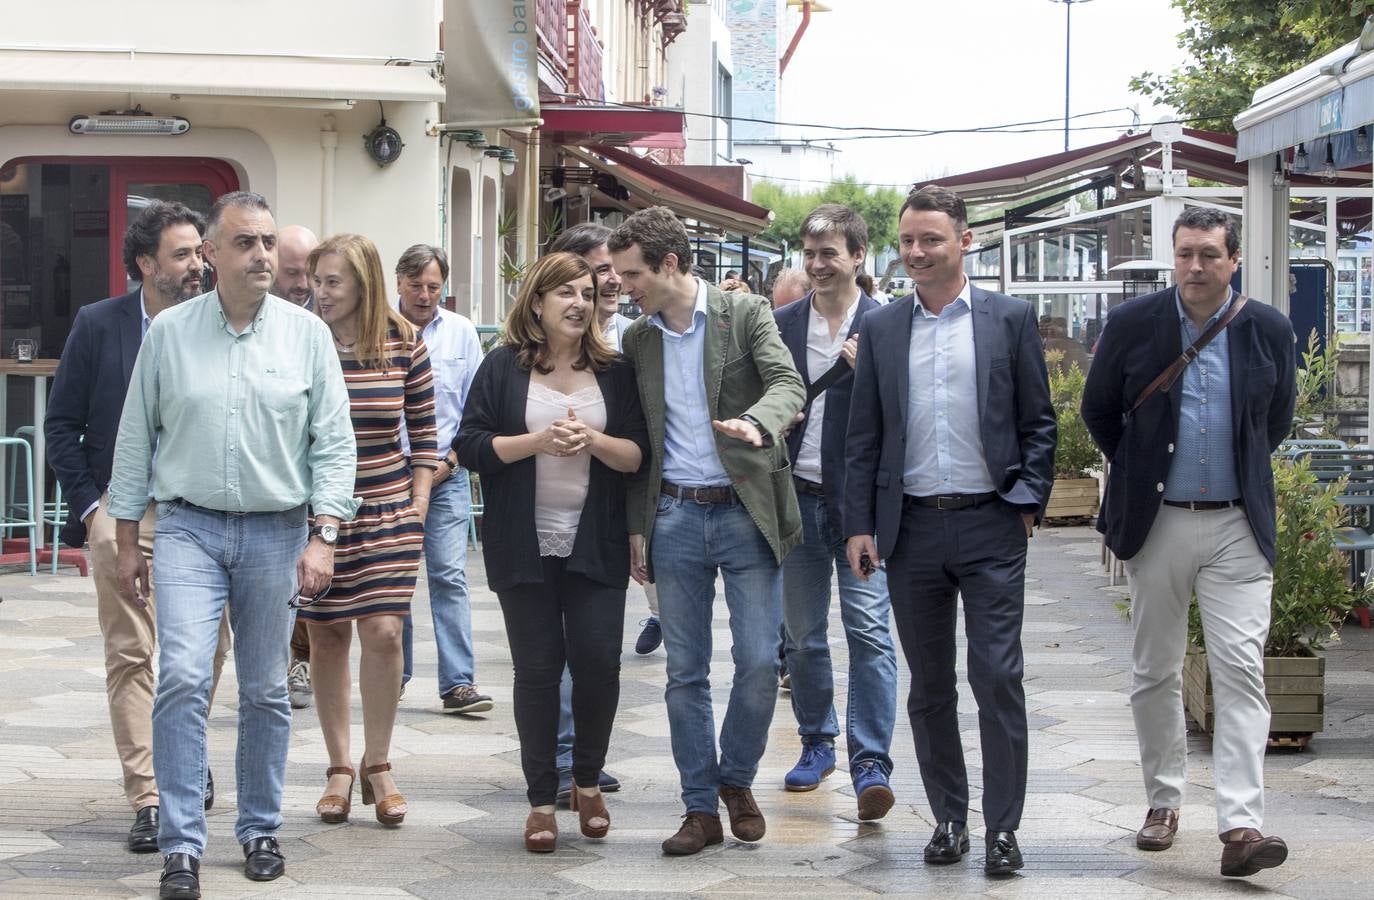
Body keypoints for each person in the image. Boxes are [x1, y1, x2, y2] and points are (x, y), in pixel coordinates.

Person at [108, 191, 357, 898]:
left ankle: (258, 828)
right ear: (210, 253)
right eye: (245, 242)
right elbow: (135, 441)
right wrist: (128, 542)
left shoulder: (306, 337)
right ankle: (182, 843)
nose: (261, 255)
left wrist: (325, 537)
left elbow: (334, 447)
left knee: (266, 689)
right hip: (187, 526)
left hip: (277, 531)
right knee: (184, 674)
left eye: (269, 243)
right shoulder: (168, 333)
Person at [844, 185, 1056, 877]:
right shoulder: (881, 328)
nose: (916, 252)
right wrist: (859, 527)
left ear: (965, 241)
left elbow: (1038, 420)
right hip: (910, 532)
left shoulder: (1008, 318)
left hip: (990, 523)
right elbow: (863, 436)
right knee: (929, 685)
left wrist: (1026, 499)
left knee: (996, 676)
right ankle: (948, 819)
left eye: (930, 239)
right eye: (907, 240)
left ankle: (1003, 830)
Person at [1081, 207, 1296, 879]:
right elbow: (1098, 410)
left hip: (1237, 524)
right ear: (1172, 258)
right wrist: (1142, 467)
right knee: (1156, 669)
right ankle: (1163, 803)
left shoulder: (1267, 329)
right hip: (1159, 520)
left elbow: (1277, 420)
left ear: (1234, 259)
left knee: (1240, 669)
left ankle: (1240, 823)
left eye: (1208, 254)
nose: (1195, 267)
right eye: (1184, 254)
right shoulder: (1132, 324)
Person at [610, 206, 806, 856]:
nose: (625, 287)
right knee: (684, 672)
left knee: (757, 662)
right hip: (673, 515)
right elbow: (640, 438)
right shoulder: (638, 341)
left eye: (633, 274)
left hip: (745, 508)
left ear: (669, 264)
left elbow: (788, 382)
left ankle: (737, 778)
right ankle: (700, 808)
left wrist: (757, 421)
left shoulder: (742, 315)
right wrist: (639, 526)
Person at [46, 201, 231, 855]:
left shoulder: (224, 325)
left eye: (199, 253)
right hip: (125, 511)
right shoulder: (100, 326)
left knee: (205, 652)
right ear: (146, 263)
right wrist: (93, 510)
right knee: (132, 654)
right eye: (182, 254)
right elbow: (61, 423)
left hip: (207, 511)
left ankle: (179, 748)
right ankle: (150, 796)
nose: (195, 266)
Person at [455, 252, 648, 853]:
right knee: (537, 672)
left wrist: (592, 439)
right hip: (522, 542)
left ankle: (586, 781)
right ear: (536, 301)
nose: (579, 302)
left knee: (598, 664)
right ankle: (541, 800)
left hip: (597, 541)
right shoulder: (502, 368)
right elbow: (470, 446)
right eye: (564, 291)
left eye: (587, 292)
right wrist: (538, 441)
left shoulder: (615, 371)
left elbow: (639, 454)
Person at [297, 233, 438, 832]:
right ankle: (337, 768)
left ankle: (379, 763)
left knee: (383, 632)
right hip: (315, 510)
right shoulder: (302, 340)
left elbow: (426, 438)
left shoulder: (405, 344)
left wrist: (418, 507)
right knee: (326, 637)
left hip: (386, 505)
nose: (320, 293)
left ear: (363, 283)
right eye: (317, 281)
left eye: (333, 282)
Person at [774, 204, 897, 820]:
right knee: (800, 635)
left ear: (857, 256)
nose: (819, 264)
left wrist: (870, 368)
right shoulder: (780, 323)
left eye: (831, 253)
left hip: (862, 511)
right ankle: (817, 743)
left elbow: (907, 415)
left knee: (871, 633)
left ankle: (871, 758)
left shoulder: (887, 323)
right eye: (811, 253)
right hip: (795, 497)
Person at [391, 244, 494, 716]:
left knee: (448, 574)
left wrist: (445, 466)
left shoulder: (462, 333)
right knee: (395, 580)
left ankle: (458, 683)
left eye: (434, 286)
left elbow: (475, 412)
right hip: (390, 474)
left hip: (445, 472)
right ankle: (392, 674)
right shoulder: (378, 330)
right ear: (398, 283)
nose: (426, 295)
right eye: (416, 286)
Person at [550, 223, 661, 656]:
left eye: (618, 270)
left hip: (626, 493)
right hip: (562, 507)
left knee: (599, 643)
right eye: (602, 270)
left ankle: (657, 616)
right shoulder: (527, 351)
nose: (615, 280)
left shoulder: (635, 337)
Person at [276, 225, 321, 711]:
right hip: (273, 476)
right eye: (292, 273)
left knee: (308, 577)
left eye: (308, 272)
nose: (303, 282)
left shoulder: (323, 322)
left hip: (313, 474)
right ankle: (283, 661)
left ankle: (299, 660)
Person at [272, 225, 318, 308]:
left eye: (310, 273)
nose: (303, 285)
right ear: (272, 265)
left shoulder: (328, 316)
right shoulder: (250, 309)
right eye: (292, 273)